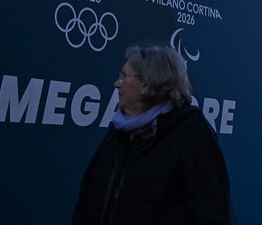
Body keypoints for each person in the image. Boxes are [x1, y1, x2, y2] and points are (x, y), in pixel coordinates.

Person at [72, 44, 231, 224]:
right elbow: (88, 199)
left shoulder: (191, 132)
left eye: (124, 76)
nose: (117, 84)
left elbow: (210, 212)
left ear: (146, 84)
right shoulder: (120, 130)